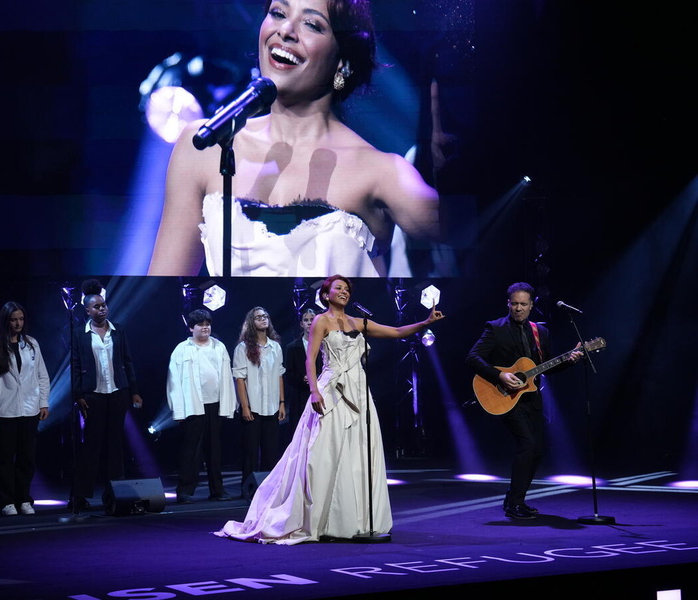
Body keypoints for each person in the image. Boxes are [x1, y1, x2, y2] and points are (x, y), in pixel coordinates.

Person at [148, 0, 440, 277]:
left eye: (312, 24)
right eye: (278, 13)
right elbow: (162, 287)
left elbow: (473, 238)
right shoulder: (205, 145)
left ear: (343, 61)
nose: (286, 30)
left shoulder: (381, 171)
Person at [216, 274, 445, 544]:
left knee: (357, 453)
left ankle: (353, 519)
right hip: (331, 391)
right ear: (326, 294)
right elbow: (310, 360)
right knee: (321, 454)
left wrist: (425, 323)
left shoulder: (359, 321)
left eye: (347, 288)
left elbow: (395, 333)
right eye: (338, 288)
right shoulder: (320, 321)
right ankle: (318, 518)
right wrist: (313, 390)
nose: (344, 291)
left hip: (358, 391)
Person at [465, 282, 582, 520]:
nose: (518, 308)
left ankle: (515, 499)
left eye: (523, 304)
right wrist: (499, 374)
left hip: (531, 397)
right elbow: (473, 357)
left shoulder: (541, 332)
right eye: (514, 303)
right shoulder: (495, 328)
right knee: (527, 445)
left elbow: (546, 367)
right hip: (505, 396)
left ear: (531, 306)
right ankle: (514, 503)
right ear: (508, 303)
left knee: (537, 450)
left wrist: (570, 360)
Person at [69, 279, 143, 513]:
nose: (102, 309)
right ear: (87, 310)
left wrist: (135, 392)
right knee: (91, 446)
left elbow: (128, 361)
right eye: (97, 306)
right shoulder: (80, 333)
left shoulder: (118, 330)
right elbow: (75, 364)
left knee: (115, 446)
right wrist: (79, 394)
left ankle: (115, 494)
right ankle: (80, 496)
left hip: (118, 393)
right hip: (93, 395)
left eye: (104, 305)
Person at [0, 301, 50, 516]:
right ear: (6, 321)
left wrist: (44, 402)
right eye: (14, 319)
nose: (18, 323)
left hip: (29, 408)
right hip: (5, 410)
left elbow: (42, 375)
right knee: (4, 458)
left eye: (21, 319)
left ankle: (24, 499)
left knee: (26, 457)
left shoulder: (31, 344)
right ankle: (6, 501)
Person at [166, 309, 235, 503]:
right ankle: (185, 490)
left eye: (207, 324)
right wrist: (177, 410)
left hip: (215, 404)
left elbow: (226, 377)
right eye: (200, 324)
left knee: (214, 449)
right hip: (192, 406)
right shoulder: (182, 349)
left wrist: (229, 405)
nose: (205, 327)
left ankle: (217, 490)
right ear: (191, 328)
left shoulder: (219, 346)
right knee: (191, 450)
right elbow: (173, 382)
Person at [232, 307, 286, 497]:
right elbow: (239, 378)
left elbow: (279, 374)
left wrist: (281, 402)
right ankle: (248, 489)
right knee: (250, 451)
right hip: (252, 407)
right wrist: (245, 406)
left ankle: (269, 490)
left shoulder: (275, 347)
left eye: (265, 316)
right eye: (258, 317)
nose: (263, 319)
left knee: (271, 451)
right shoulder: (243, 348)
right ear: (251, 322)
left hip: (271, 406)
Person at [283, 308, 318, 439]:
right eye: (306, 320)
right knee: (301, 435)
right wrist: (302, 378)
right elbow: (289, 374)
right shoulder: (292, 347)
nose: (309, 323)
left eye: (312, 319)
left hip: (321, 393)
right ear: (301, 324)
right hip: (300, 397)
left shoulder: (324, 344)